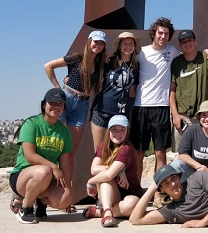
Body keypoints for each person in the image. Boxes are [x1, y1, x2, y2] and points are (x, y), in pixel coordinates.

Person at [131, 17, 208, 179]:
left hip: (162, 107)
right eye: (160, 33)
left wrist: (207, 51)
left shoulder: (173, 51)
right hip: (140, 107)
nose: (163, 36)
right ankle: (136, 191)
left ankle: (158, 193)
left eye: (166, 34)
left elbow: (191, 52)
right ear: (153, 34)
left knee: (160, 152)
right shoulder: (141, 53)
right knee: (138, 152)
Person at [9, 88, 73, 224]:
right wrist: (53, 167)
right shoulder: (32, 124)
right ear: (44, 105)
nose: (56, 107)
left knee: (66, 198)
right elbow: (30, 156)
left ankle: (40, 202)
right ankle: (25, 208)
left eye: (60, 104)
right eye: (52, 103)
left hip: (46, 178)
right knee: (44, 171)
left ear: (64, 107)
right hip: (23, 176)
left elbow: (66, 164)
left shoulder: (64, 132)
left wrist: (67, 188)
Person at [43, 30, 107, 156]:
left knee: (70, 150)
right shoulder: (76, 58)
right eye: (95, 42)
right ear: (89, 42)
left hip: (82, 105)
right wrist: (57, 88)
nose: (98, 45)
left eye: (101, 43)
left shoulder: (100, 65)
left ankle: (66, 176)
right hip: (66, 100)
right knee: (53, 145)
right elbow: (48, 66)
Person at [84, 115, 143, 227]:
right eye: (114, 129)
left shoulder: (127, 148)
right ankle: (107, 212)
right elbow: (94, 169)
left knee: (132, 204)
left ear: (127, 131)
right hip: (110, 193)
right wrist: (120, 171)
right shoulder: (103, 146)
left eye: (122, 130)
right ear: (108, 130)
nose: (118, 133)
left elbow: (110, 173)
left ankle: (99, 212)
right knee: (106, 178)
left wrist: (90, 182)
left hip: (129, 194)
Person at [90, 32, 140, 153]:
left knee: (116, 154)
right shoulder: (108, 61)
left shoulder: (136, 66)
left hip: (121, 115)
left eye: (131, 43)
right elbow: (90, 70)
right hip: (102, 111)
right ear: (119, 46)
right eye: (125, 43)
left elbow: (132, 91)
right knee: (99, 153)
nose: (128, 46)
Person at [169, 29, 208, 150]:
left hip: (203, 114)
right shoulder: (176, 62)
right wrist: (175, 114)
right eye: (184, 42)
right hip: (183, 116)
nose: (187, 43)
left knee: (203, 151)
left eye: (190, 40)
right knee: (180, 154)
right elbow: (172, 90)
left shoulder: (206, 57)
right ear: (180, 45)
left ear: (195, 41)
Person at [169, 100, 208, 186]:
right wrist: (199, 167)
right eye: (204, 115)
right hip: (193, 171)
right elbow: (182, 154)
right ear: (199, 117)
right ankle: (180, 194)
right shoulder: (191, 130)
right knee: (175, 166)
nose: (207, 119)